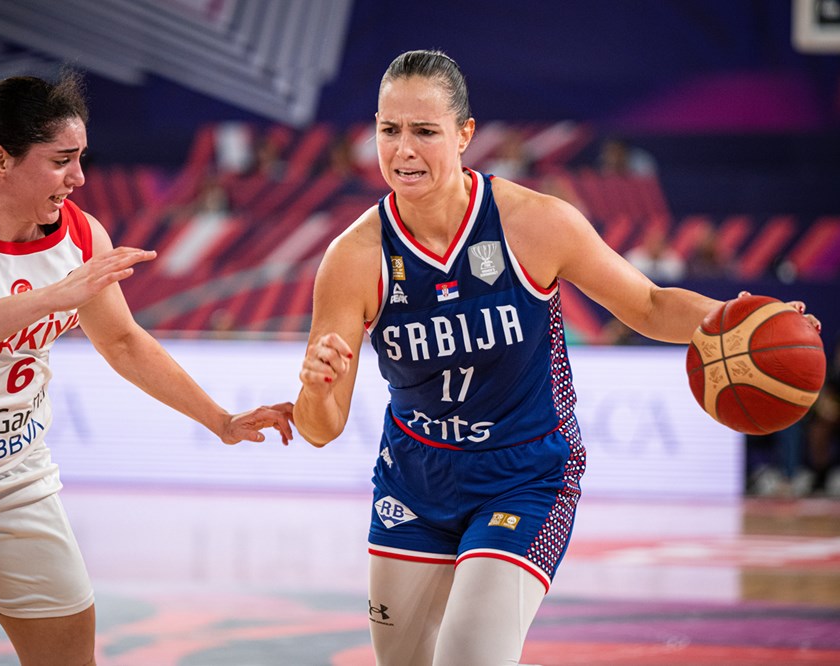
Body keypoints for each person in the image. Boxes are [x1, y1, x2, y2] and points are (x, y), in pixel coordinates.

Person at [292, 49, 822, 666]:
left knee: (468, 655)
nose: (404, 150)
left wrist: (748, 319)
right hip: (414, 478)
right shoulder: (353, 258)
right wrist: (318, 389)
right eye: (390, 130)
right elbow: (320, 428)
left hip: (527, 474)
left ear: (464, 134)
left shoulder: (533, 223)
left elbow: (649, 304)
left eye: (425, 131)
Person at [0, 72, 294, 666]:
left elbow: (124, 342)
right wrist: (52, 297)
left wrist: (220, 420)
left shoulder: (80, 235)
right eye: (61, 161)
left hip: (14, 477)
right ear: (0, 160)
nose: (79, 177)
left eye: (80, 157)